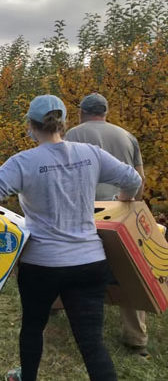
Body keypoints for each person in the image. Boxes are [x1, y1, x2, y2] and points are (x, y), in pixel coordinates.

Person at [0, 95, 141, 381]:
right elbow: (132, 180)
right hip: (90, 263)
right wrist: (121, 204)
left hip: (41, 266)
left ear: (30, 125)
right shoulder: (91, 153)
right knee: (91, 343)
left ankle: (28, 376)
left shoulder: (23, 162)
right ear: (63, 122)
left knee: (33, 327)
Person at [65, 92, 148, 357]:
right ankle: (135, 338)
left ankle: (65, 313)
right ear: (105, 112)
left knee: (72, 264)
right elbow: (139, 178)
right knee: (129, 271)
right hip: (119, 212)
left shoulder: (72, 135)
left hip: (83, 211)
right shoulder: (127, 137)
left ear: (82, 112)